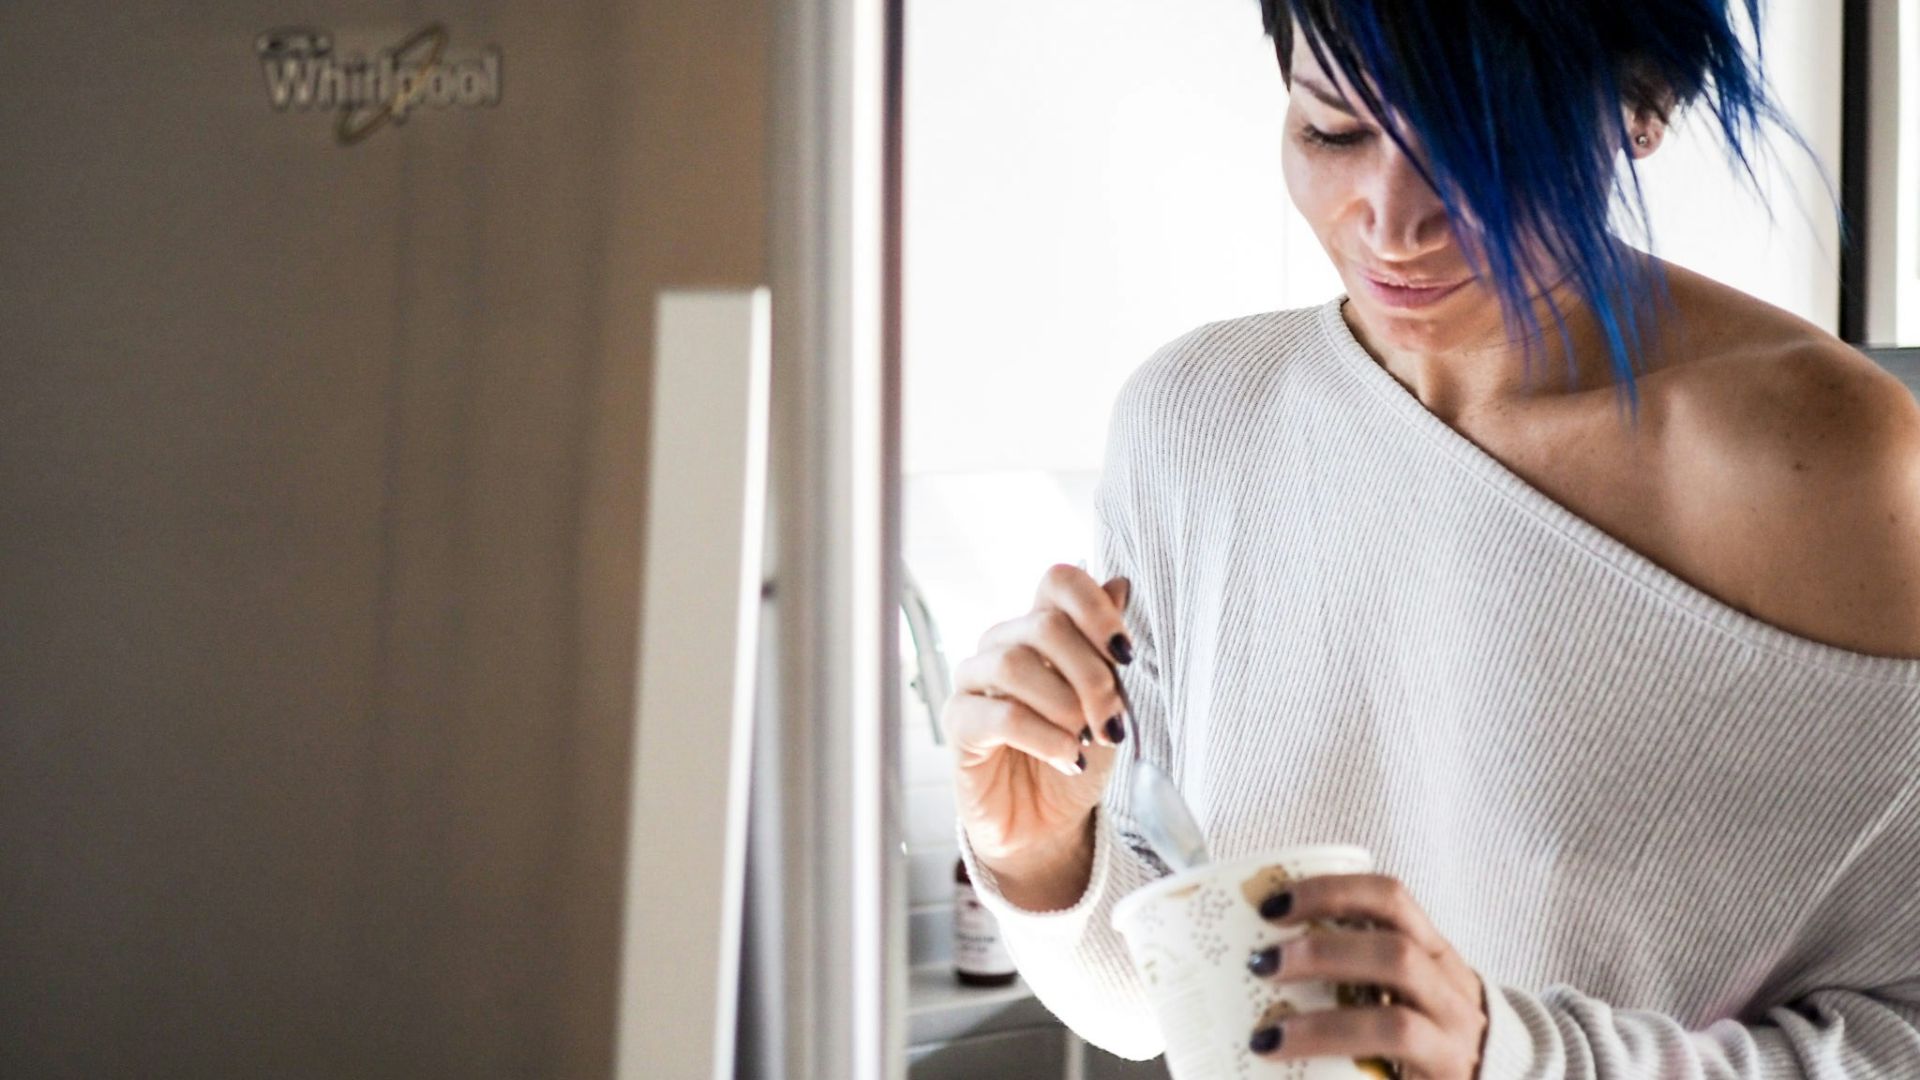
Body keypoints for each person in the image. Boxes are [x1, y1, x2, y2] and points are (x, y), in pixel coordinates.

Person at [941, 3, 1920, 1077]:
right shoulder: (1194, 421)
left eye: (1478, 147)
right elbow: (1164, 1008)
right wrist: (1040, 854)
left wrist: (1518, 1055)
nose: (1393, 223)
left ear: (1642, 108)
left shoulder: (1837, 471)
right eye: (1332, 132)